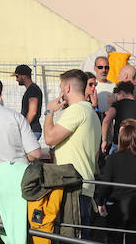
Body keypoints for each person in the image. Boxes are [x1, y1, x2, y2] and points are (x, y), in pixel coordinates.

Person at [40, 68, 102, 208]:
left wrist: (49, 112)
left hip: (72, 186)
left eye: (61, 88)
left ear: (67, 87)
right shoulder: (91, 112)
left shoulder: (76, 110)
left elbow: (49, 138)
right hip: (84, 185)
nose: (60, 92)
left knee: (69, 230)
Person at [99, 80, 136, 156]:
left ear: (122, 93)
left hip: (120, 145)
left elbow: (106, 121)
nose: (117, 99)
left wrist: (104, 140)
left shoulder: (117, 105)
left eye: (117, 96)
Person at [14, 65, 43, 137]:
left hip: (32, 130)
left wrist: (23, 128)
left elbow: (32, 112)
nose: (16, 79)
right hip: (31, 130)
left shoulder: (32, 90)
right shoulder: (32, 89)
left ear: (24, 76)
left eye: (17, 76)